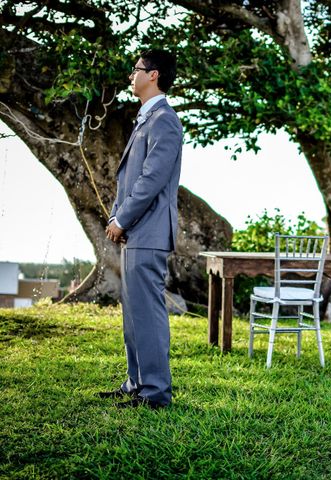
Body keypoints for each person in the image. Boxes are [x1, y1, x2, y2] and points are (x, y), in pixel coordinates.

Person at [100, 49, 183, 409]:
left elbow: (151, 180)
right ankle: (136, 383)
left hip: (149, 232)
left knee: (147, 313)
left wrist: (122, 218)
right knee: (133, 313)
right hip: (136, 232)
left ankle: (155, 394)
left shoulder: (164, 119)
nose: (131, 75)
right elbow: (132, 179)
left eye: (137, 70)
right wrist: (117, 218)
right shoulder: (145, 119)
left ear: (154, 75)